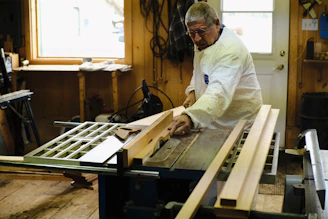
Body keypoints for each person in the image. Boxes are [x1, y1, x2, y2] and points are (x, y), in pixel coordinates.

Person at [168, 2, 263, 136]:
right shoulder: (205, 40)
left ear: (216, 24)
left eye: (201, 31)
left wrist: (190, 117)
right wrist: (193, 91)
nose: (196, 38)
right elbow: (199, 71)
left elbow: (219, 91)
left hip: (237, 122)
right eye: (191, 33)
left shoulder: (231, 50)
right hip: (215, 119)